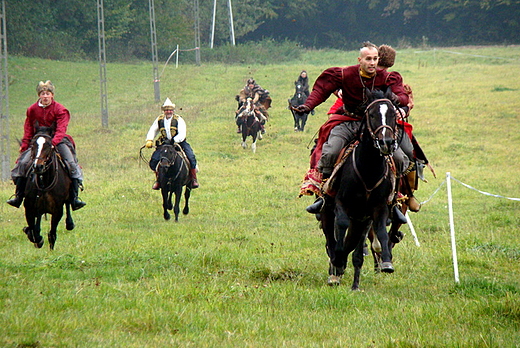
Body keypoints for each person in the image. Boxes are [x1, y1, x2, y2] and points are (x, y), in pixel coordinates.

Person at [295, 42, 411, 215]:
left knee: (402, 157)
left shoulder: (387, 78)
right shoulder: (344, 74)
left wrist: (396, 98)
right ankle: (323, 195)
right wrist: (308, 106)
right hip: (350, 121)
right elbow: (321, 90)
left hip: (377, 125)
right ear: (360, 60)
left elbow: (402, 96)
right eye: (368, 59)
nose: (372, 63)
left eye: (375, 59)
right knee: (331, 150)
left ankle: (394, 200)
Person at [7, 80, 86, 210]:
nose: (45, 96)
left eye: (47, 93)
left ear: (52, 95)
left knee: (71, 164)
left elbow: (61, 129)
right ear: (39, 95)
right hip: (38, 141)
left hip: (57, 140)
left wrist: (53, 143)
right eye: (42, 93)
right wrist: (25, 145)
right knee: (22, 164)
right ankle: (18, 196)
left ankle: (74, 199)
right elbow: (28, 128)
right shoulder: (32, 110)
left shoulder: (61, 110)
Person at [145, 98, 199, 189]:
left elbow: (182, 133)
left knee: (191, 157)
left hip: (179, 143)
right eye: (166, 110)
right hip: (164, 144)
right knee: (154, 161)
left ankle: (193, 179)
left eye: (170, 110)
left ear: (173, 110)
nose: (168, 111)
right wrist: (149, 139)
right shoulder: (159, 119)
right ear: (164, 111)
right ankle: (158, 180)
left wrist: (174, 140)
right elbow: (153, 129)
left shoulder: (178, 119)